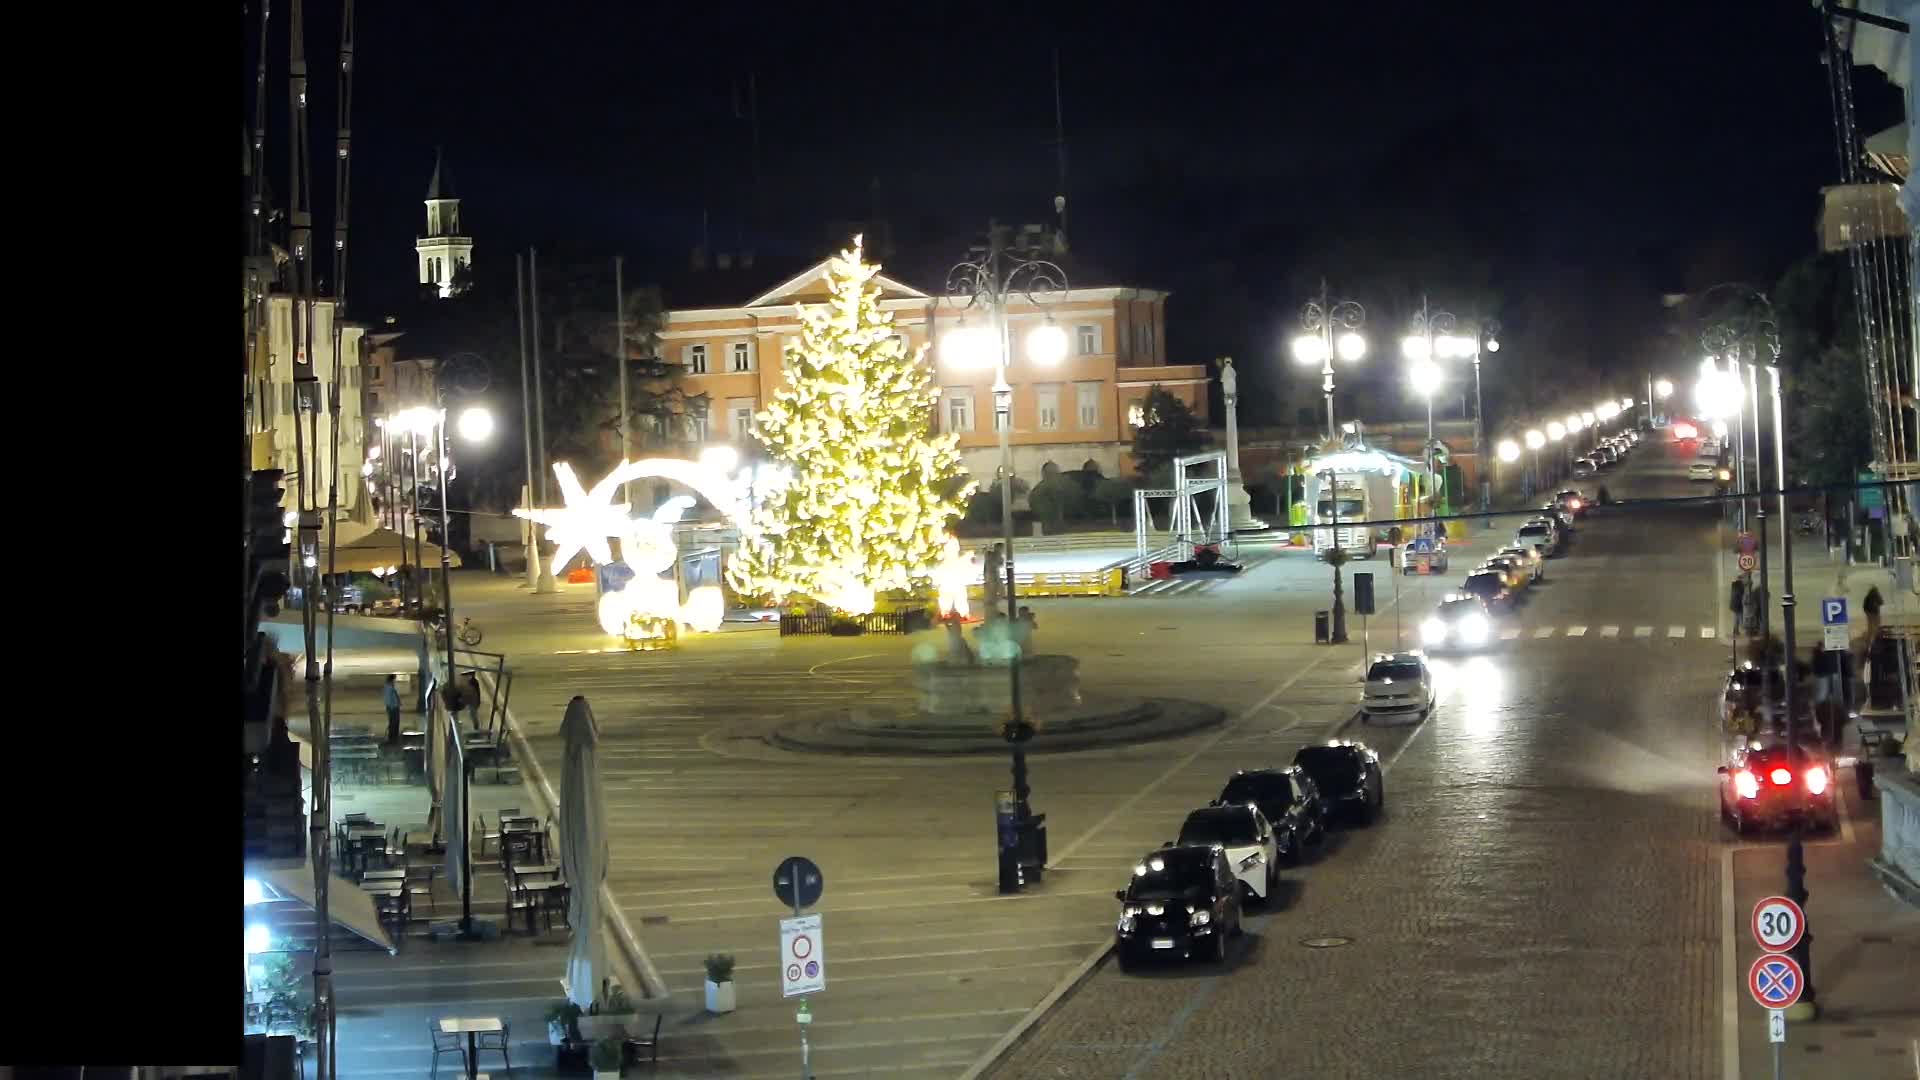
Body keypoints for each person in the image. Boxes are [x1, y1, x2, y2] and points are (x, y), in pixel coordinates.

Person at [382, 674, 403, 745]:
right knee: (394, 723)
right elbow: (388, 699)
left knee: (394, 722)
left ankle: (394, 737)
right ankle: (392, 738)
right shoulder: (388, 688)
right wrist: (391, 707)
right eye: (394, 680)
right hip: (393, 708)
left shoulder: (390, 687)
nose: (395, 681)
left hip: (394, 707)